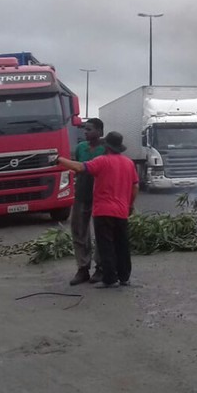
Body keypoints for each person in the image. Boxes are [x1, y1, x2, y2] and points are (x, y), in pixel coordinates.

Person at [56, 131, 139, 288]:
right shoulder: (128, 163)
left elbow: (80, 167)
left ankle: (110, 279)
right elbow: (135, 186)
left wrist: (60, 160)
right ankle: (124, 277)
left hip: (103, 210)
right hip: (121, 210)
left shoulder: (101, 161)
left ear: (106, 146)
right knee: (121, 245)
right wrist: (130, 204)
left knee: (106, 245)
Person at [68, 118, 106, 286]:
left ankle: (101, 268)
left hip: (100, 196)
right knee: (79, 231)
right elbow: (78, 168)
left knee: (101, 233)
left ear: (100, 132)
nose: (86, 132)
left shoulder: (106, 150)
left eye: (89, 129)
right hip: (81, 195)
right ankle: (83, 268)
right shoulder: (80, 148)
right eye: (85, 129)